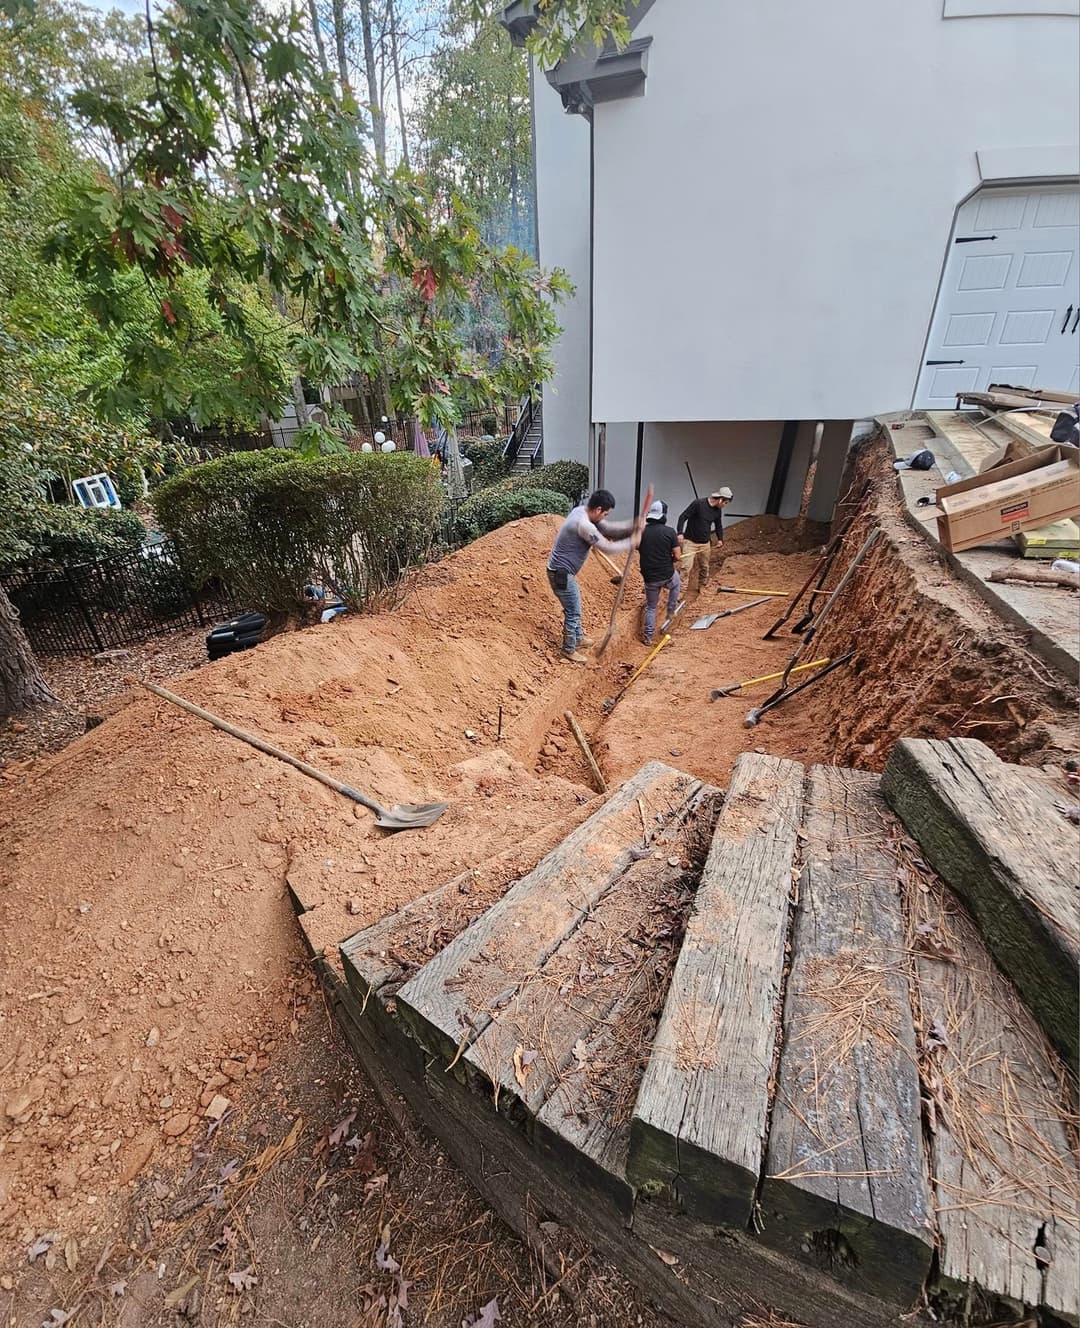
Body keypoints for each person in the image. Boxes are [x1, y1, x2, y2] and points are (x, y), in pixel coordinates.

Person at [547, 489, 639, 663]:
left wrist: (632, 525)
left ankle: (579, 638)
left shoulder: (581, 511)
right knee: (573, 610)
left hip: (563, 571)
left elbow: (607, 528)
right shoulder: (583, 525)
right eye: (605, 513)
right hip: (560, 574)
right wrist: (632, 541)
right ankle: (568, 648)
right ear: (597, 510)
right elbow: (607, 547)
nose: (605, 517)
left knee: (575, 604)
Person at [638, 500, 682, 645]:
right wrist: (670, 558)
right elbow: (677, 556)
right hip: (667, 575)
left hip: (649, 577)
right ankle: (670, 610)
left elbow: (637, 547)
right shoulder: (669, 532)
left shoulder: (642, 531)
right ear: (664, 515)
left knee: (651, 606)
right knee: (676, 584)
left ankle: (648, 636)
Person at [677, 487, 732, 597]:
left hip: (705, 544)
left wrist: (720, 539)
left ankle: (702, 586)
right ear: (720, 499)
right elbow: (683, 517)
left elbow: (718, 525)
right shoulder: (698, 504)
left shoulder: (717, 510)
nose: (725, 505)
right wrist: (680, 533)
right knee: (686, 568)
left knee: (705, 567)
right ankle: (681, 591)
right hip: (690, 542)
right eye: (725, 502)